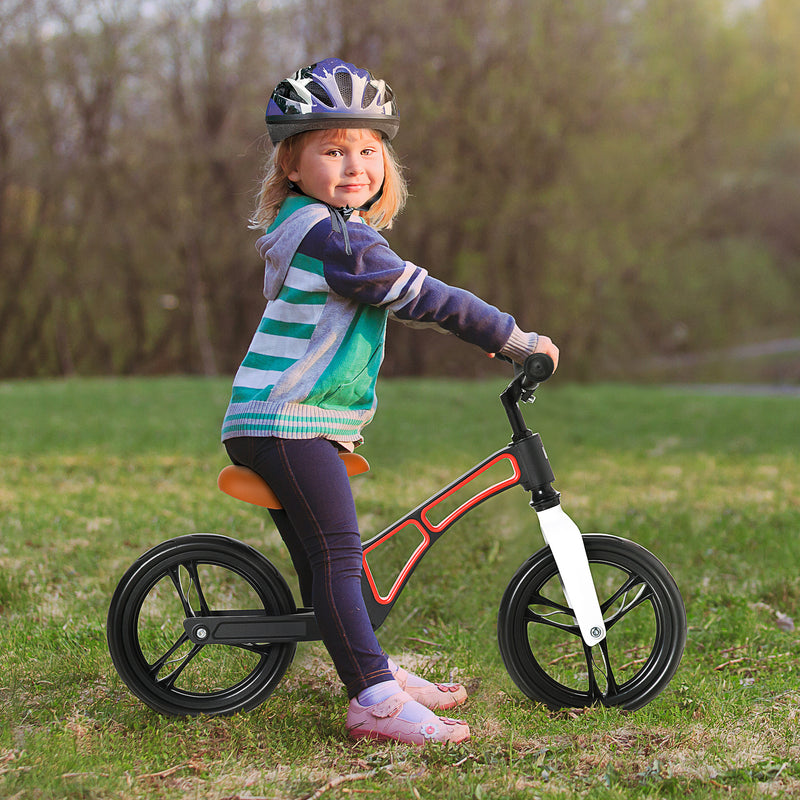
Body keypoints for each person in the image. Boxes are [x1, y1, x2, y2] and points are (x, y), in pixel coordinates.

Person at [221, 58, 559, 745]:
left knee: (328, 563)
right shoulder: (335, 235)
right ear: (292, 162)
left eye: (369, 149)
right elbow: (424, 296)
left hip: (281, 418)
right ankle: (373, 700)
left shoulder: (312, 225)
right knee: (343, 558)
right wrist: (514, 340)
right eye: (333, 149)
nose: (355, 164)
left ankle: (369, 666)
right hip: (287, 423)